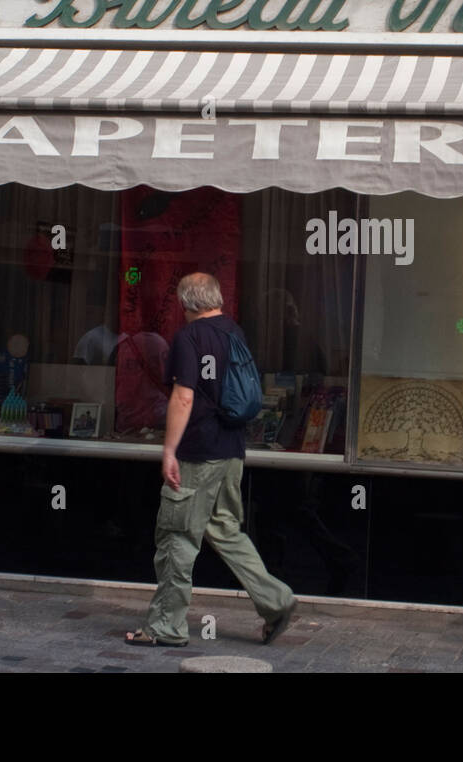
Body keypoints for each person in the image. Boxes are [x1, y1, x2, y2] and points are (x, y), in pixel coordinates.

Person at [126, 272, 296, 647]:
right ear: (216, 299)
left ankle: (164, 627)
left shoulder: (189, 337)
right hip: (232, 450)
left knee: (177, 537)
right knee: (224, 528)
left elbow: (183, 397)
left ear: (187, 303)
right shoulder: (235, 333)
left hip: (198, 452)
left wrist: (169, 450)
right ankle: (276, 601)